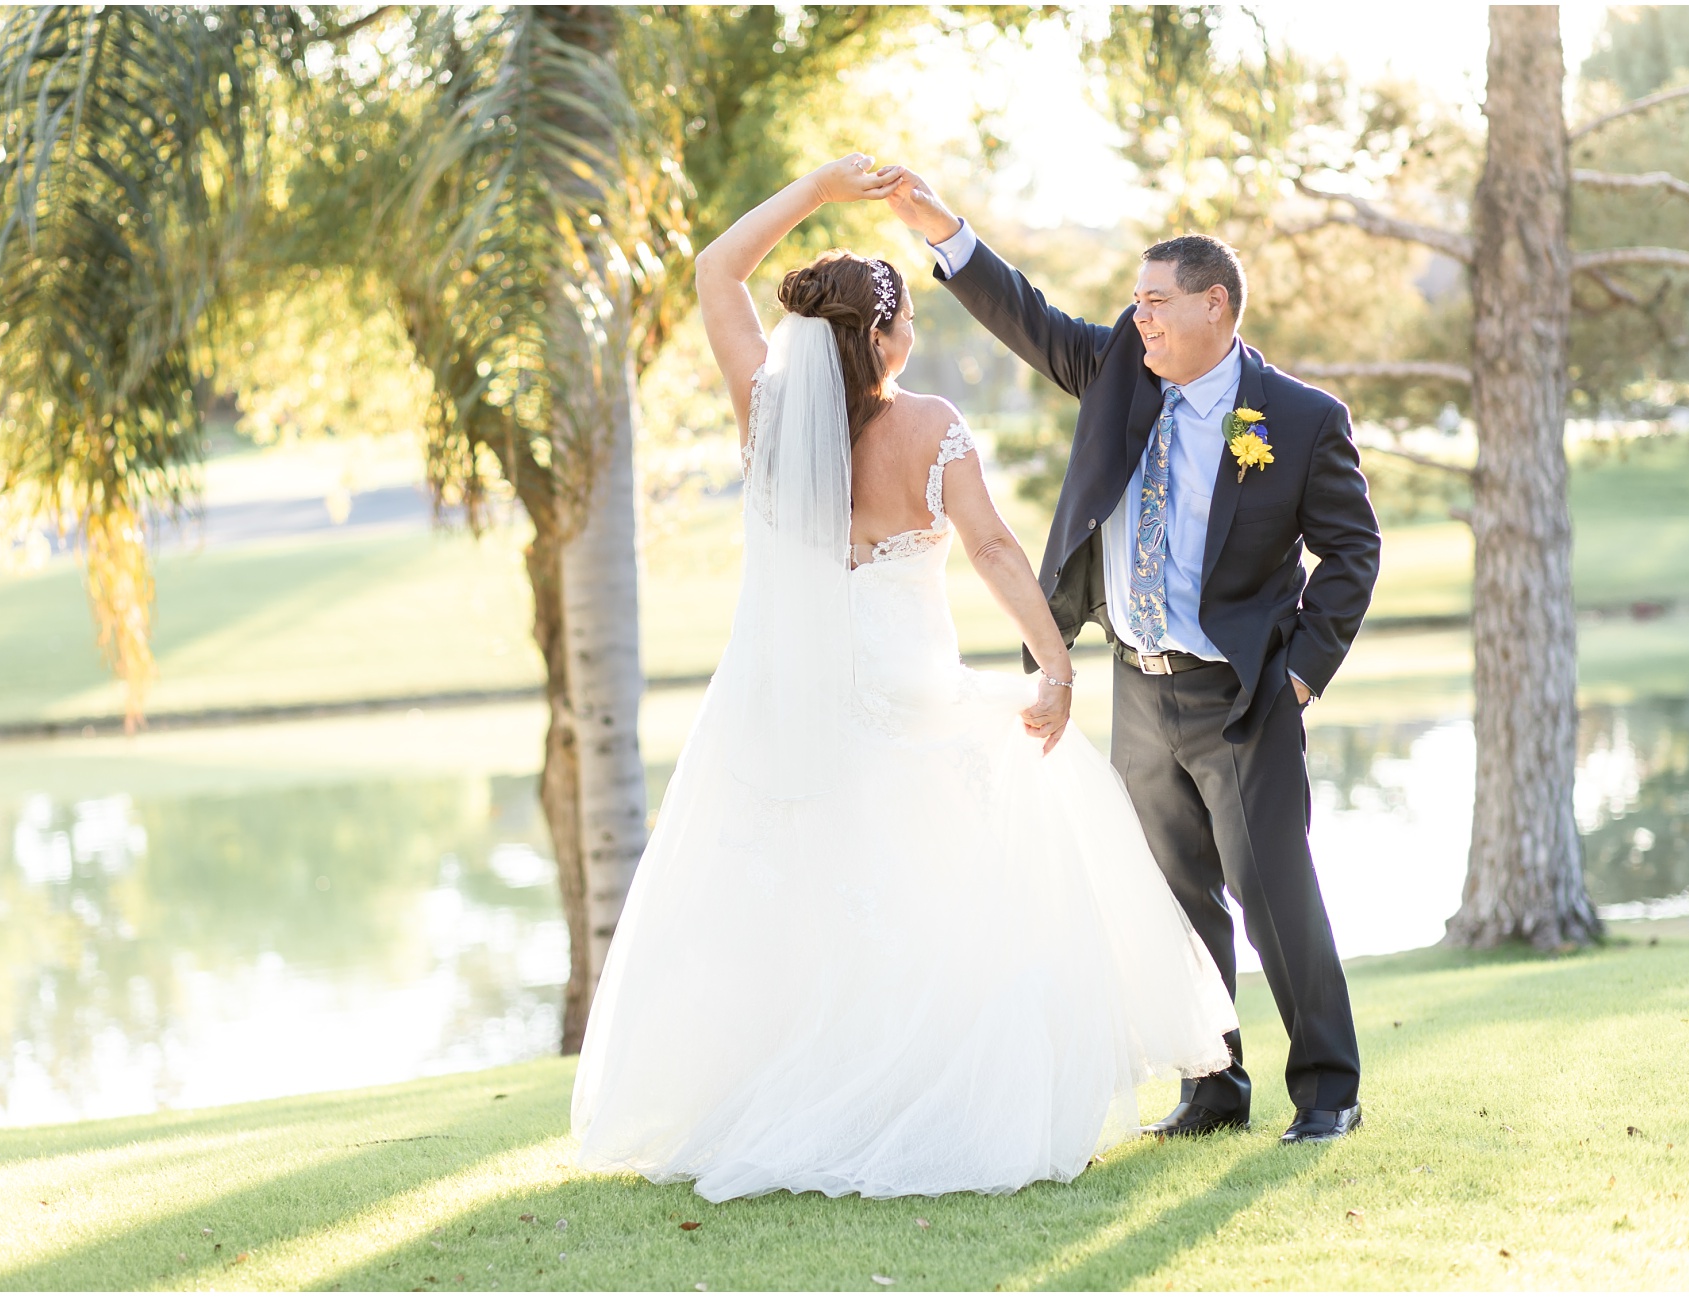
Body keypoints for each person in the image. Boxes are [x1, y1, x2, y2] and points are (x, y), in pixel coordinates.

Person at [570, 155, 1239, 1202]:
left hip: (789, 705)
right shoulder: (926, 426)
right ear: (880, 335)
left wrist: (811, 192)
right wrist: (1053, 663)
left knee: (818, 898)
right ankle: (923, 1102)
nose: (912, 340)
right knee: (964, 873)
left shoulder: (765, 410)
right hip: (910, 695)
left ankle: (822, 1092)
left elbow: (714, 271)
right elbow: (996, 553)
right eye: (904, 325)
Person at [879, 166, 1381, 1144]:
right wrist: (946, 232)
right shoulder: (1119, 371)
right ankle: (1213, 1085)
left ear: (1215, 305)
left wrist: (1303, 670)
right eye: (1136, 302)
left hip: (1242, 695)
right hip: (1138, 688)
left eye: (1156, 302)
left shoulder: (1300, 418)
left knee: (1276, 892)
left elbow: (1352, 550)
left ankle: (1327, 1094)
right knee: (1174, 895)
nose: (1137, 317)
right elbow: (1028, 316)